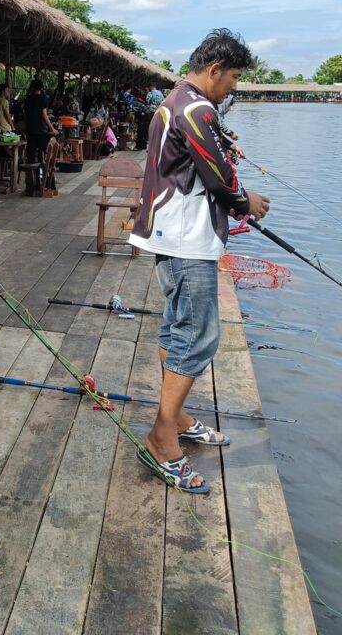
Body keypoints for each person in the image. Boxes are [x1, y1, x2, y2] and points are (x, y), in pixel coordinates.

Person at [129, 29, 270, 493]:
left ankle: (179, 416)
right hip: (186, 239)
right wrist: (247, 201)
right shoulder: (195, 107)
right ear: (214, 70)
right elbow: (219, 179)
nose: (233, 87)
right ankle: (162, 437)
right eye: (232, 78)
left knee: (176, 329)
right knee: (199, 337)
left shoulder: (176, 101)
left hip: (170, 236)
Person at [23, 78, 58, 163]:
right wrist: (52, 128)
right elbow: (44, 115)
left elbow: (25, 115)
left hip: (30, 130)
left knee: (31, 153)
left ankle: (30, 174)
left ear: (32, 88)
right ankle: (42, 172)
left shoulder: (28, 99)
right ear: (41, 88)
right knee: (43, 153)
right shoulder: (43, 99)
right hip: (40, 130)